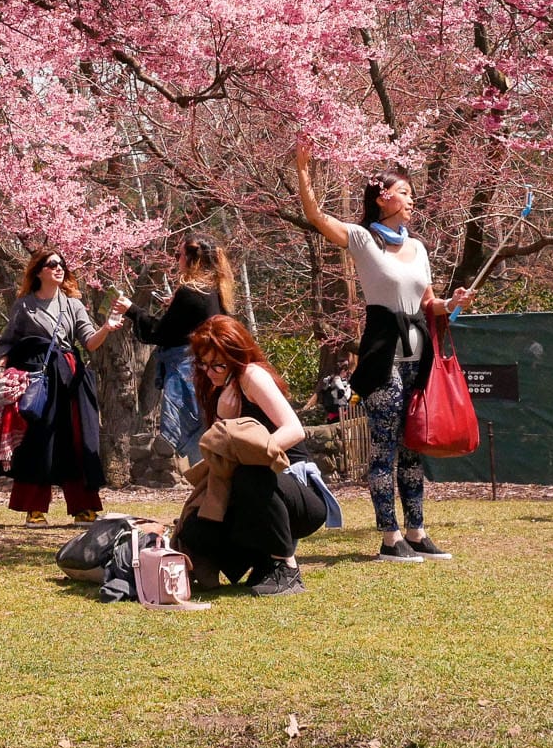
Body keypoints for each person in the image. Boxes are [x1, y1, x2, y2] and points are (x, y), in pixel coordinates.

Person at [294, 143, 466, 561]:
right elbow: (317, 217)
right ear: (383, 196)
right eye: (404, 192)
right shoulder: (362, 239)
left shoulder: (419, 248)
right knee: (385, 447)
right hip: (383, 357)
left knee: (412, 447)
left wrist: (452, 303)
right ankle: (389, 537)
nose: (411, 200)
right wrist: (303, 171)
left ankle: (417, 531)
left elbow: (430, 302)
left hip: (417, 359)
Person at [174, 314, 312, 597]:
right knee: (195, 531)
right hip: (250, 490)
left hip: (294, 485)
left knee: (250, 473)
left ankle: (287, 566)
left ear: (236, 356)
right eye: (203, 363)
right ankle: (262, 561)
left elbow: (295, 429)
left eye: (218, 364)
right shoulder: (217, 387)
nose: (209, 371)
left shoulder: (251, 376)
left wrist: (257, 454)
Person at [0, 249, 128, 525]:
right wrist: (4, 369)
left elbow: (89, 342)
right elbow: (7, 342)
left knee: (78, 439)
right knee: (38, 440)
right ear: (39, 270)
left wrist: (107, 327)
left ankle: (83, 507)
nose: (59, 268)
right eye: (52, 263)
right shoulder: (24, 305)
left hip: (70, 377)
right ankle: (35, 508)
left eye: (61, 264)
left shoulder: (73, 305)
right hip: (37, 379)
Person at [129, 236, 236, 462]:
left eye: (179, 255)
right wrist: (174, 306)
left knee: (195, 436)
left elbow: (159, 332)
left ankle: (210, 486)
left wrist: (132, 310)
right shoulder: (215, 291)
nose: (176, 260)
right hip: (210, 370)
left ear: (191, 259)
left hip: (187, 370)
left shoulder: (189, 292)